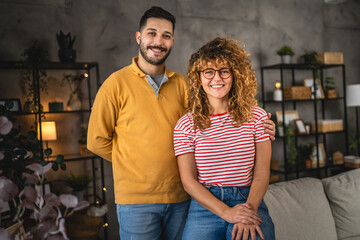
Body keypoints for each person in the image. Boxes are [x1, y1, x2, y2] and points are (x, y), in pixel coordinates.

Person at [87, 6, 276, 240]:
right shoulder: (115, 84)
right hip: (137, 199)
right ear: (139, 37)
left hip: (180, 197)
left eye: (166, 36)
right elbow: (96, 142)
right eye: (152, 33)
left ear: (172, 41)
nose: (158, 41)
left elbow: (212, 118)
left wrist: (265, 126)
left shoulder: (183, 85)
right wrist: (137, 164)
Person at [174, 37, 275, 240]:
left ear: (235, 75)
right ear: (198, 78)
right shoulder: (185, 125)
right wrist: (226, 212)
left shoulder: (257, 117)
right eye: (208, 72)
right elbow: (188, 182)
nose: (216, 78)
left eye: (224, 71)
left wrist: (248, 212)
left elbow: (262, 174)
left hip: (249, 199)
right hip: (205, 206)